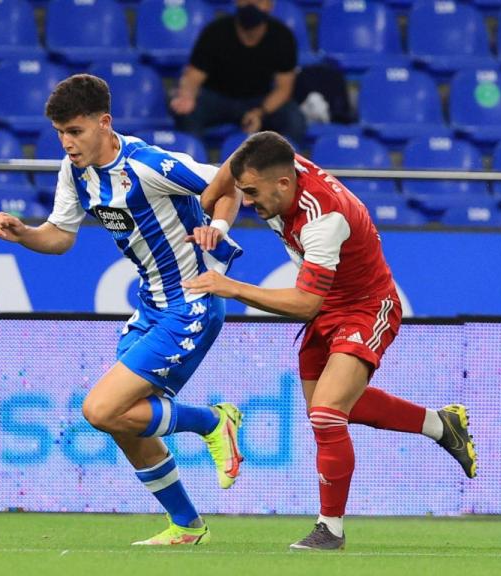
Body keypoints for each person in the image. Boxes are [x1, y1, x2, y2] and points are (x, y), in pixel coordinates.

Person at [183, 132, 477, 551]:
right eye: (244, 191)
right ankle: (439, 424)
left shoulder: (323, 217)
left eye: (252, 193)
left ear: (284, 184)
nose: (246, 200)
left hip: (365, 305)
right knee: (333, 408)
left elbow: (304, 302)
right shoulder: (276, 166)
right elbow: (237, 164)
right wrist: (217, 221)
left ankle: (330, 530)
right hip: (329, 306)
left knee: (325, 412)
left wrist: (231, 287)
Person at [0, 74, 246, 546]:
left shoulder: (150, 164)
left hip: (191, 304)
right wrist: (23, 233)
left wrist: (220, 225)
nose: (67, 143)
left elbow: (231, 183)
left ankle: (213, 421)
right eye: (61, 133)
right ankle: (187, 526)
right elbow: (61, 237)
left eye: (76, 131)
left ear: (104, 123)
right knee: (123, 422)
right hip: (151, 305)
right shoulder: (75, 171)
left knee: (101, 409)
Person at [170, 0, 306, 144]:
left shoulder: (282, 36)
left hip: (260, 99)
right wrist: (187, 95)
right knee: (185, 110)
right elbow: (193, 75)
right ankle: (194, 160)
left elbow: (284, 88)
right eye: (246, 1)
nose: (251, 5)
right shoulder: (216, 31)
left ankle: (282, 164)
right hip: (217, 98)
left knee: (293, 119)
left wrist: (260, 112)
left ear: (269, 6)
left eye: (258, 2)